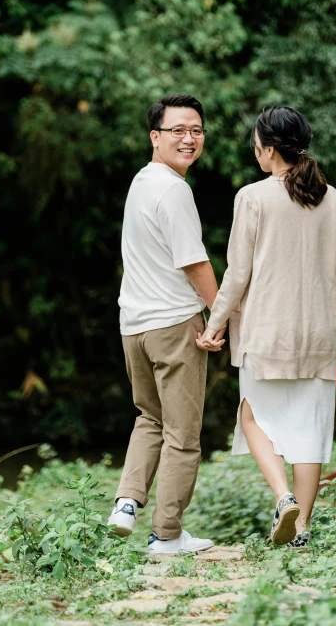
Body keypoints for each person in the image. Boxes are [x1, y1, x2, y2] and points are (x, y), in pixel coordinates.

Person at [197, 106, 336, 548]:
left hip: (266, 332)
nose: (255, 151)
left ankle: (283, 497)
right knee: (310, 431)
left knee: (252, 415)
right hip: (319, 332)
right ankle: (303, 528)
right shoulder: (330, 198)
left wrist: (215, 325)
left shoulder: (252, 197)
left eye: (257, 143)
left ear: (269, 149)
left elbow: (238, 273)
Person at [108, 92, 224, 554]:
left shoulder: (142, 181)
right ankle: (167, 536)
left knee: (149, 419)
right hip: (174, 326)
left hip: (133, 326)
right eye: (177, 130)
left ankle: (126, 503)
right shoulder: (174, 190)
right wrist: (222, 316)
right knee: (182, 435)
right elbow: (194, 264)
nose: (189, 138)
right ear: (155, 137)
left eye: (196, 130)